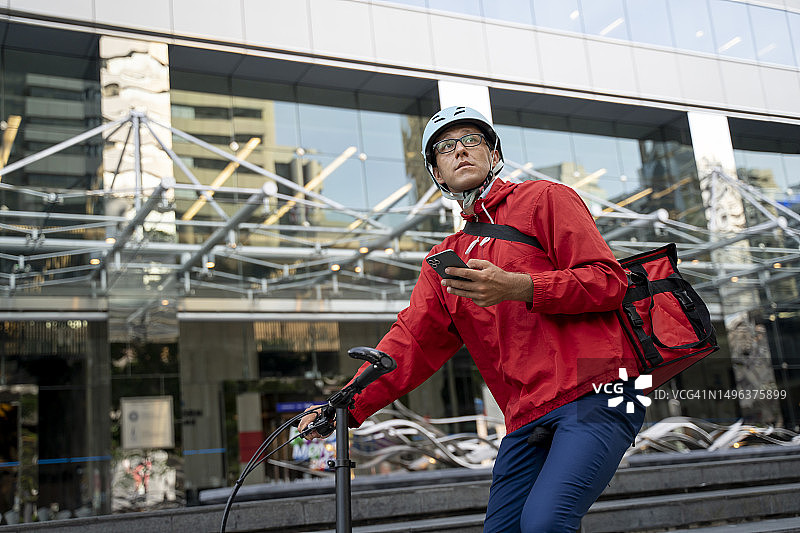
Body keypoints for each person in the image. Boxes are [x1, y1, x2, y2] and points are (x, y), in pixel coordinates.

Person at [300, 106, 646, 532]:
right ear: (437, 173)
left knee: (545, 523)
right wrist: (344, 405)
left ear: (494, 152)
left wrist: (521, 287)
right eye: (446, 147)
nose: (460, 151)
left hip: (600, 390)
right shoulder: (444, 259)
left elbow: (608, 281)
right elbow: (412, 341)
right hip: (527, 413)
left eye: (471, 140)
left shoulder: (545, 199)